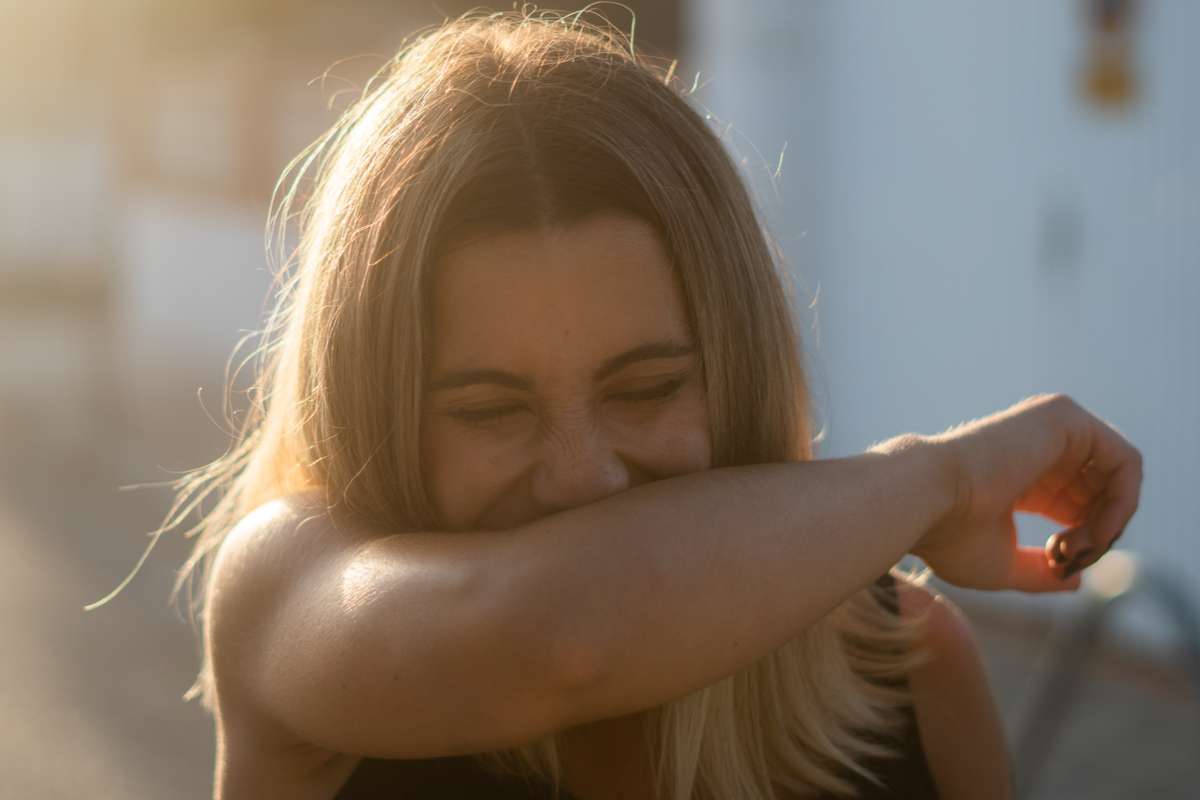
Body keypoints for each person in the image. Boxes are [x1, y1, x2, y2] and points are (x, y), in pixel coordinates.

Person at [158, 8, 1142, 800]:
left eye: (646, 387)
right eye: (492, 410)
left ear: (736, 366)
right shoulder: (284, 588)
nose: (584, 472)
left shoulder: (908, 663)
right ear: (379, 407)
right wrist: (941, 475)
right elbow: (560, 637)